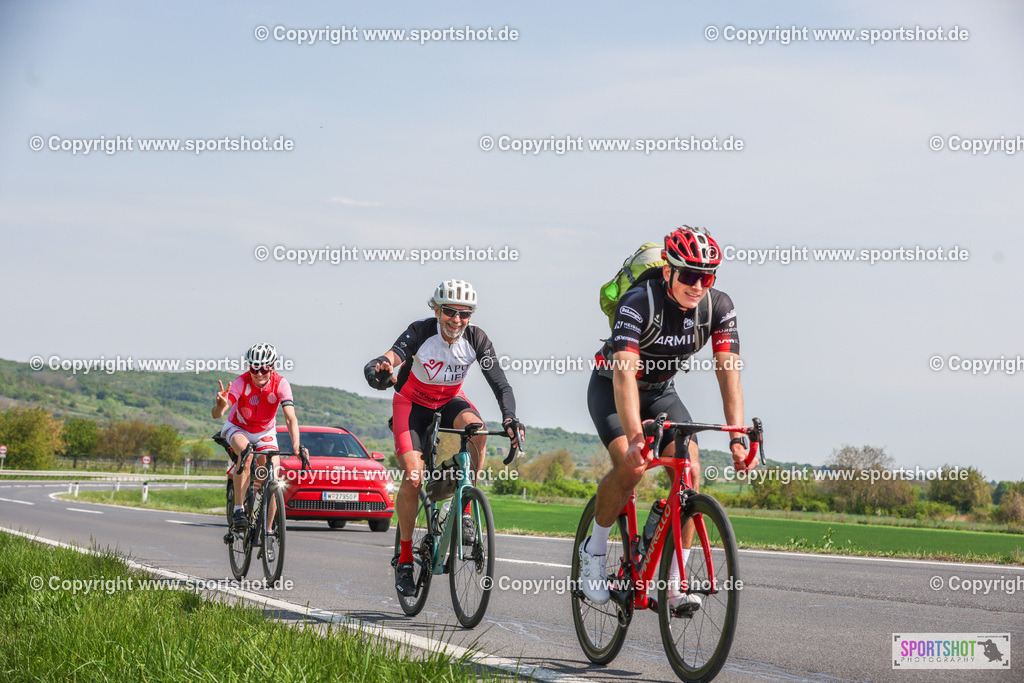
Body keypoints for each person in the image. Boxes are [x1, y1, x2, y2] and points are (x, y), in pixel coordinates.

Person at [580, 226, 756, 607]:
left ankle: (675, 582)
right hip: (613, 388)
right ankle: (592, 553)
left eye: (706, 277)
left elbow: (729, 372)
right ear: (668, 272)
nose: (698, 286)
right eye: (689, 276)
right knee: (633, 467)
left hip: (661, 393)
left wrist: (738, 438)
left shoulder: (718, 307)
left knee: (689, 470)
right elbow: (625, 373)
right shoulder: (638, 301)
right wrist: (635, 437)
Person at [364, 279, 522, 597]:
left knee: (477, 432)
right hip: (412, 405)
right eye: (450, 312)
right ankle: (406, 559)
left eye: (465, 314)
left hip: (449, 400)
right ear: (437, 310)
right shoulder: (422, 332)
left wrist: (509, 418)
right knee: (412, 476)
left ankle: (464, 508)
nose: (457, 320)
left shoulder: (477, 339)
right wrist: (378, 367)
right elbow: (392, 357)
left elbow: (501, 384)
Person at [212, 343, 308, 544]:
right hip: (238, 427)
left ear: (272, 367)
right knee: (245, 454)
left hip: (265, 432)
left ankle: (267, 530)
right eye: (254, 368)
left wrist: (297, 445)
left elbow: (291, 419)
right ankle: (239, 510)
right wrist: (220, 407)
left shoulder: (281, 384)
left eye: (263, 369)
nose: (258, 374)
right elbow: (217, 414)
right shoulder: (241, 382)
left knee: (272, 475)